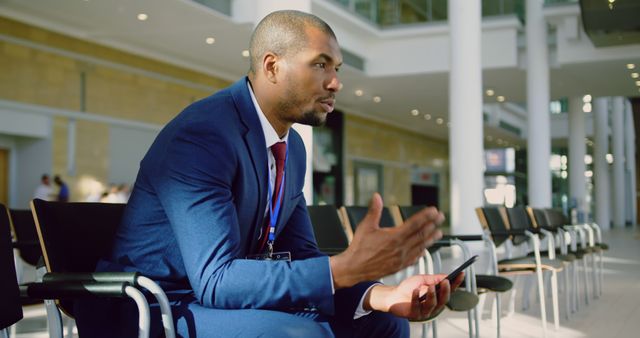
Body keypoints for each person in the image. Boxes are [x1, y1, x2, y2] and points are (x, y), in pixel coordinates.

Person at [75, 10, 462, 337]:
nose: (336, 82)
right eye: (320, 64)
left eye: (337, 68)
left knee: (386, 323)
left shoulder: (291, 148)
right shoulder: (203, 135)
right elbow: (216, 280)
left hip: (217, 298)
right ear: (272, 66)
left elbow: (302, 254)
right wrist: (343, 268)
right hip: (155, 302)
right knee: (301, 334)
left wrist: (378, 294)